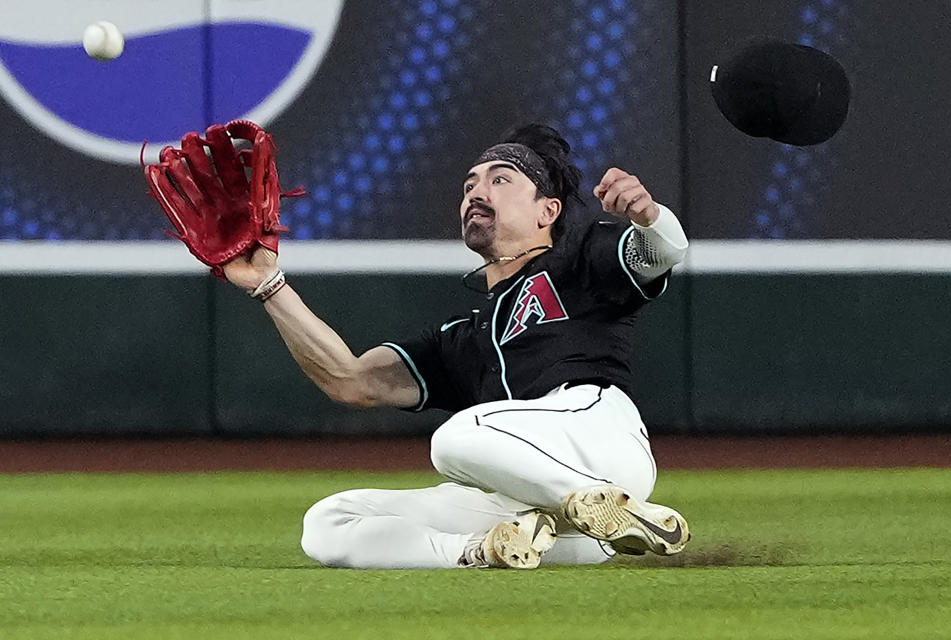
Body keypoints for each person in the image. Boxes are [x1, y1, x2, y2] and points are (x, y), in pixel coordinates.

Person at [223, 123, 691, 569]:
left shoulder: (577, 259)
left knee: (453, 439)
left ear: (547, 212)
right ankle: (486, 550)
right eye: (469, 185)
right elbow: (351, 380)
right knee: (328, 523)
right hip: (542, 506)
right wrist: (269, 285)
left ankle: (599, 503)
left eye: (500, 179)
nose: (476, 192)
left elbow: (659, 254)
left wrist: (650, 217)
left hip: (597, 436)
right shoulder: (463, 338)